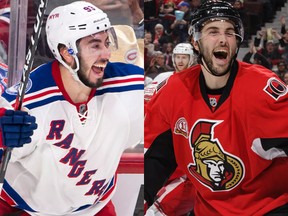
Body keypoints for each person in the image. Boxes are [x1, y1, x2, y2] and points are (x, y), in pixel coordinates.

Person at [145, 1, 288, 215]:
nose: (223, 39)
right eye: (213, 31)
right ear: (195, 41)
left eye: (229, 32)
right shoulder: (173, 91)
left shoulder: (263, 89)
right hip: (209, 209)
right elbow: (157, 159)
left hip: (267, 207)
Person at [0, 1, 144, 215]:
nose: (106, 53)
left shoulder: (128, 85)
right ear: (66, 53)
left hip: (95, 207)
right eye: (95, 45)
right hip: (24, 207)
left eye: (107, 42)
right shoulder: (27, 100)